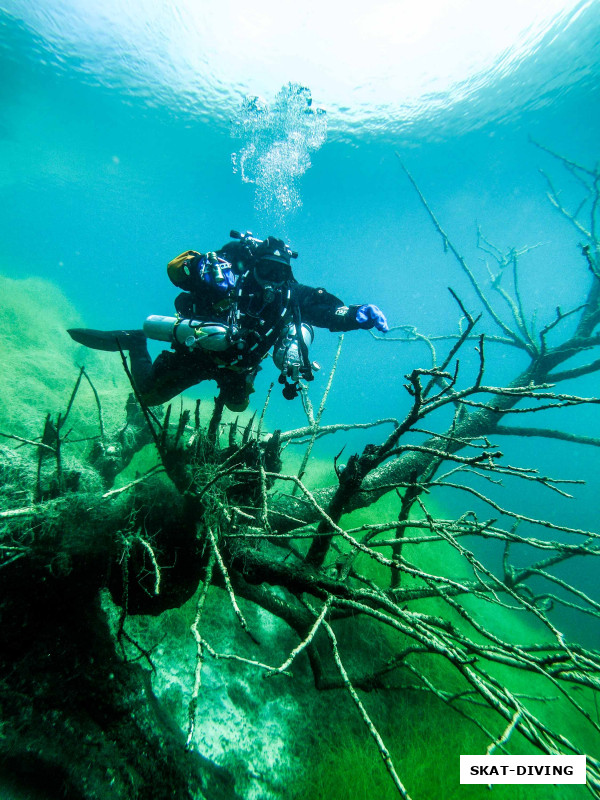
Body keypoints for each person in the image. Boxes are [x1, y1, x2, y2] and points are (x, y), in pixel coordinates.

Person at [68, 231, 389, 412]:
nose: (271, 282)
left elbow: (327, 311)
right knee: (146, 397)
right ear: (254, 267)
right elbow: (177, 270)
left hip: (239, 368)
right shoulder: (229, 279)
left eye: (280, 274)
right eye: (266, 271)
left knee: (237, 406)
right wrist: (201, 268)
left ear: (287, 275)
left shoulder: (290, 294)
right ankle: (136, 342)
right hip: (198, 352)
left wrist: (358, 315)